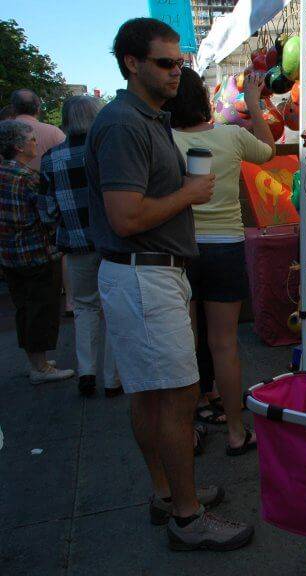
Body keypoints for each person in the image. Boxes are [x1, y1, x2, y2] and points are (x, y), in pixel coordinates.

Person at [85, 18, 252, 551]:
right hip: (144, 273)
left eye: (180, 62)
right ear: (131, 63)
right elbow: (126, 215)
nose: (177, 71)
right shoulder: (125, 124)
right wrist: (190, 195)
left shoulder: (147, 118)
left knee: (155, 397)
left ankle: (170, 493)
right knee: (176, 397)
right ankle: (187, 515)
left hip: (150, 272)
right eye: (165, 62)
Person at [163, 66, 275, 455]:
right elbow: (268, 150)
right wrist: (255, 107)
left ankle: (188, 428)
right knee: (224, 344)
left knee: (187, 342)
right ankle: (235, 431)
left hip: (179, 250)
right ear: (205, 102)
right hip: (225, 247)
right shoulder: (231, 136)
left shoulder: (163, 140)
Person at [39, 95, 121, 397]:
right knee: (113, 308)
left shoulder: (51, 159)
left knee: (85, 307)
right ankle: (113, 378)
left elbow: (47, 210)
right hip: (112, 243)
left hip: (76, 245)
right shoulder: (107, 152)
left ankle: (86, 371)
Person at [0, 120, 75, 383]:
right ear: (19, 146)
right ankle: (40, 367)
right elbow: (48, 215)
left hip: (9, 255)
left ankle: (36, 359)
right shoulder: (28, 178)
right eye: (32, 140)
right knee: (41, 309)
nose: (36, 144)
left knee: (23, 308)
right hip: (37, 254)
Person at [9, 89, 65, 171]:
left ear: (13, 108)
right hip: (45, 182)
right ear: (38, 109)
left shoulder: (4, 130)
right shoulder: (55, 132)